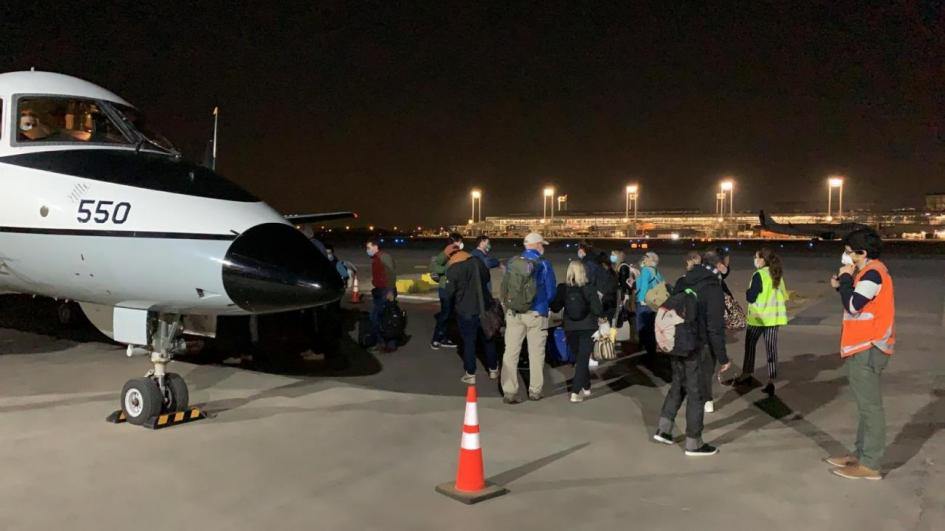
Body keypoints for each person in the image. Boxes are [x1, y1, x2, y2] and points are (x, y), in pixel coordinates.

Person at [826, 229, 895, 481]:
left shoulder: (873, 273)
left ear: (862, 253)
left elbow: (853, 305)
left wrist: (845, 280)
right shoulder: (868, 272)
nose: (846, 255)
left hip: (869, 347)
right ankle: (861, 454)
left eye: (849, 251)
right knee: (866, 408)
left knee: (871, 408)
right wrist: (842, 285)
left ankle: (871, 464)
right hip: (862, 347)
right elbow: (858, 300)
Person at [653, 251, 730, 456]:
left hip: (678, 343)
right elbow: (715, 328)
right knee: (697, 393)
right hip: (698, 346)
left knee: (678, 385)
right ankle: (693, 443)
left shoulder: (685, 280)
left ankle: (664, 429)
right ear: (719, 265)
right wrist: (722, 357)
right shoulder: (713, 288)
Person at [500, 232, 557, 403]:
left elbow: (505, 287)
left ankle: (509, 391)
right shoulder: (544, 264)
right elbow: (551, 291)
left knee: (510, 352)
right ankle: (534, 390)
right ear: (538, 245)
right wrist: (543, 304)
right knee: (536, 353)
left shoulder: (513, 262)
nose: (543, 248)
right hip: (536, 313)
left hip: (514, 313)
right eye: (542, 245)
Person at [550, 261, 605, 403]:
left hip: (570, 328)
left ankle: (586, 386)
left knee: (580, 359)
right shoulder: (589, 288)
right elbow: (597, 310)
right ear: (583, 272)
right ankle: (575, 391)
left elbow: (555, 308)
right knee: (583, 359)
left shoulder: (563, 288)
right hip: (588, 328)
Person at [444, 244, 499, 384]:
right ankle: (493, 369)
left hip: (466, 310)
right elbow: (486, 279)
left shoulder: (453, 268)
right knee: (488, 338)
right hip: (484, 307)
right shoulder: (478, 262)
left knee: (469, 342)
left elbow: (449, 292)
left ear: (451, 256)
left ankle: (471, 374)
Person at [736, 248, 788, 396]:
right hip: (773, 320)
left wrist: (747, 293)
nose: (755, 260)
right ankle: (771, 381)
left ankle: (746, 373)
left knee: (750, 346)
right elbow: (784, 295)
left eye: (756, 258)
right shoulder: (777, 274)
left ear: (763, 260)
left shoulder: (758, 275)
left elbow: (751, 297)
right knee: (771, 350)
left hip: (758, 319)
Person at [430, 233, 464, 350]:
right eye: (459, 241)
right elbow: (436, 267)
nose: (460, 244)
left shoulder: (457, 253)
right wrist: (448, 268)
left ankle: (445, 337)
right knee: (445, 314)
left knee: (450, 315)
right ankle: (436, 339)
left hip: (454, 288)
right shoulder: (447, 251)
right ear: (455, 241)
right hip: (445, 288)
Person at [366, 238, 398, 353]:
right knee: (385, 317)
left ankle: (382, 343)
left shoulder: (383, 257)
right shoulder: (376, 258)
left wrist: (390, 291)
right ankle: (389, 344)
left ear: (375, 247)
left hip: (385, 291)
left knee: (377, 317)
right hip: (381, 290)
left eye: (368, 248)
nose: (367, 250)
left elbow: (392, 274)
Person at [635, 251, 664, 356]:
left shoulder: (646, 271)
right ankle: (652, 347)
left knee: (642, 326)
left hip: (644, 302)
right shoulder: (656, 272)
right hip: (653, 302)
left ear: (651, 260)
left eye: (646, 257)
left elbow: (643, 286)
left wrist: (642, 300)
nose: (644, 259)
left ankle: (645, 349)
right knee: (651, 326)